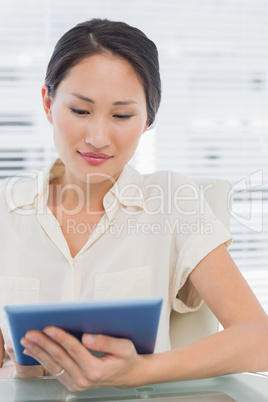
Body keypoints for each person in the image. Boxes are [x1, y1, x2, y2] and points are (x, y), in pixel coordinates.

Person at [0, 18, 268, 392]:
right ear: (48, 103)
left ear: (147, 121)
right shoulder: (5, 209)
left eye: (122, 116)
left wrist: (140, 371)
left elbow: (259, 338)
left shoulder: (173, 201)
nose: (97, 137)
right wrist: (17, 365)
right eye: (80, 110)